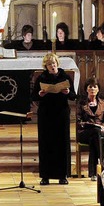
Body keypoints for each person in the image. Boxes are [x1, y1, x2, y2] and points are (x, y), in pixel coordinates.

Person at [32, 53, 77, 185]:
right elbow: (33, 97)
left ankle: (63, 175)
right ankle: (45, 176)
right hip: (46, 113)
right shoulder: (41, 77)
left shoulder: (65, 76)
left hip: (61, 112)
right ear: (45, 66)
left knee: (62, 143)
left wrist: (68, 93)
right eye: (49, 64)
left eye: (54, 63)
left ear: (57, 63)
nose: (52, 66)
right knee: (46, 143)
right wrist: (40, 94)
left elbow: (74, 96)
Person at [76, 77, 104, 181]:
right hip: (84, 132)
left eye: (94, 87)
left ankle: (93, 173)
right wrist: (91, 125)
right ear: (86, 89)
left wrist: (103, 127)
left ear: (98, 89)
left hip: (99, 133)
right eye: (90, 87)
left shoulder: (103, 103)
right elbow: (79, 122)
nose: (92, 89)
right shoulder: (81, 103)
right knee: (95, 134)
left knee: (94, 138)